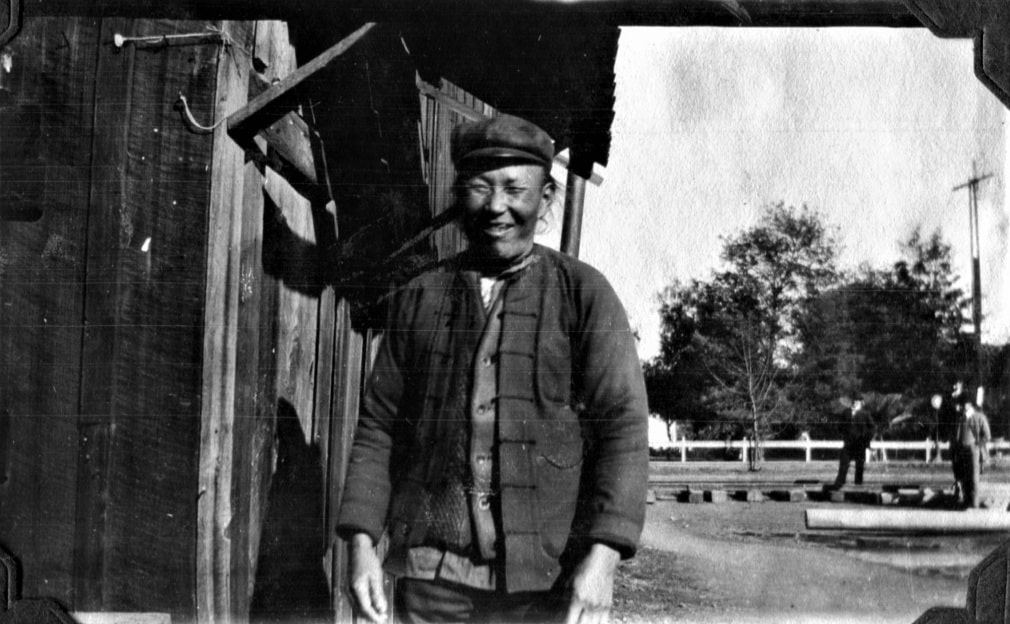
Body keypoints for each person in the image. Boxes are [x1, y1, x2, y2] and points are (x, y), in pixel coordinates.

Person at [336, 114, 650, 624]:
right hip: (430, 578)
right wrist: (361, 544)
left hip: (543, 583)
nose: (497, 206)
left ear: (546, 197)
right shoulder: (421, 296)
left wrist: (604, 559)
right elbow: (378, 426)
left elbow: (623, 428)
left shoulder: (584, 295)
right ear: (461, 194)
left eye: (514, 188)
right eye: (481, 187)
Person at [951, 398, 992, 508]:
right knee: (963, 477)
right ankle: (966, 502)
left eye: (962, 404)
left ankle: (974, 503)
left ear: (969, 404)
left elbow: (987, 436)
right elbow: (956, 435)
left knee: (973, 478)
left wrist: (977, 445)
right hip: (960, 451)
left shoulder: (979, 417)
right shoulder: (960, 418)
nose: (960, 406)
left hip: (973, 451)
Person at [833, 396, 875, 487]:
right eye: (853, 401)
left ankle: (858, 487)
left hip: (860, 444)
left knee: (859, 467)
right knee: (843, 465)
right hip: (848, 444)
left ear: (861, 403)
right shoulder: (846, 412)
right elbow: (840, 427)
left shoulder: (865, 413)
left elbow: (872, 428)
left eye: (857, 402)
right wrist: (844, 436)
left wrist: (866, 438)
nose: (854, 403)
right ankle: (839, 484)